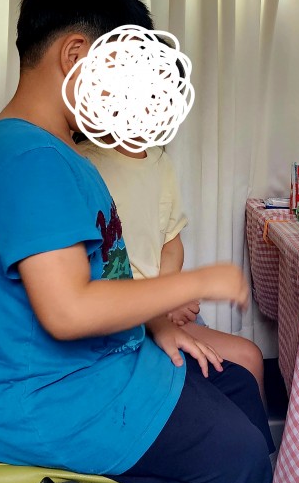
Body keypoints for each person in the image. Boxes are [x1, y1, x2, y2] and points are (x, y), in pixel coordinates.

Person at [0, 0, 272, 483]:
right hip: (46, 401)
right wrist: (198, 282)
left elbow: (104, 277)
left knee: (235, 384)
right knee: (238, 457)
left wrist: (158, 324)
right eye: (125, 72)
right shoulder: (29, 161)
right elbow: (68, 310)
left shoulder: (52, 153)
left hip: (96, 369)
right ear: (75, 55)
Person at [76, 136, 266, 401]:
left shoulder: (160, 162)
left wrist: (169, 296)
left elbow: (171, 243)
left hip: (164, 307)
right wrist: (163, 302)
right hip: (126, 316)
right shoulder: (85, 163)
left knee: (249, 359)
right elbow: (98, 276)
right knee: (247, 358)